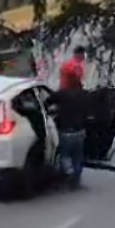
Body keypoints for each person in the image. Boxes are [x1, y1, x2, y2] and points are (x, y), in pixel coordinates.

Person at [48, 50, 90, 187]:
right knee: (78, 156)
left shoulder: (62, 94)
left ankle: (69, 172)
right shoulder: (83, 95)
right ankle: (76, 178)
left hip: (65, 131)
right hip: (80, 131)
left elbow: (47, 102)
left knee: (64, 154)